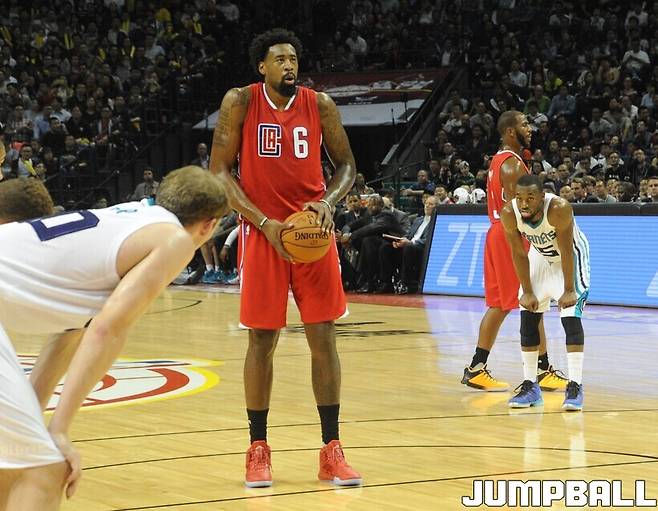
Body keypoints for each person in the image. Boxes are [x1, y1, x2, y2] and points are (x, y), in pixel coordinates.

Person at [0, 166, 227, 509]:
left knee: (14, 464)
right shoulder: (175, 239)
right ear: (209, 225)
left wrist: (39, 421)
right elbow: (108, 329)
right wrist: (59, 430)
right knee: (45, 470)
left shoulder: (127, 218)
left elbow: (71, 332)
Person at [208, 28, 362, 488]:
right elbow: (219, 171)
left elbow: (347, 166)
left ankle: (331, 449)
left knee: (324, 338)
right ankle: (257, 448)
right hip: (263, 233)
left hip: (312, 232)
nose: (288, 65)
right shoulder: (240, 101)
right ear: (262, 66)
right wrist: (262, 221)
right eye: (279, 59)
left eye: (293, 58)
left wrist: (329, 202)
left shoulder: (320, 105)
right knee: (262, 340)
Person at [461, 111, 566, 392]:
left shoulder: (501, 160)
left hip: (498, 233)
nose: (530, 129)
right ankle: (541, 371)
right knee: (532, 301)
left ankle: (476, 368)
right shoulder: (511, 165)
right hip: (511, 236)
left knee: (500, 304)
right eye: (524, 124)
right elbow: (521, 210)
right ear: (510, 131)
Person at [501, 175, 589, 410]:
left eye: (530, 198)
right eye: (519, 198)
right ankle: (531, 386)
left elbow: (567, 251)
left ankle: (575, 385)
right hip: (540, 255)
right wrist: (528, 292)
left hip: (570, 257)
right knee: (528, 317)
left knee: (570, 317)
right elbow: (518, 253)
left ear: (542, 196)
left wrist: (569, 290)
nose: (524, 204)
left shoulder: (559, 208)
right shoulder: (509, 213)